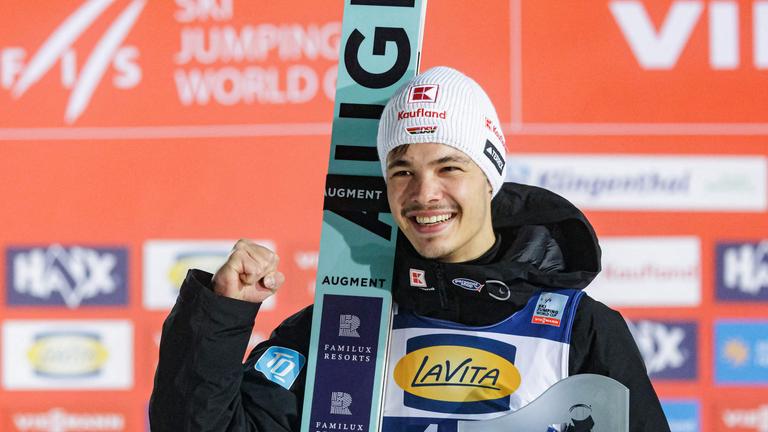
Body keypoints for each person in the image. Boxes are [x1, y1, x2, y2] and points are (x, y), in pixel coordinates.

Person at [149, 66, 670, 431]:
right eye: (403, 171)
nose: (424, 194)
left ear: (490, 176)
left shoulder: (581, 330)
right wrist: (220, 315)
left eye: (449, 167)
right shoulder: (344, 325)